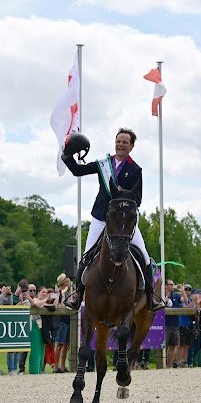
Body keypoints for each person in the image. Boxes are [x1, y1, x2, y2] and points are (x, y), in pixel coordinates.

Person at [61, 128, 163, 312]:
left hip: (123, 222)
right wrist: (67, 156)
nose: (120, 145)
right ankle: (77, 294)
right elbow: (78, 171)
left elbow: (137, 199)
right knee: (86, 256)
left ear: (131, 146)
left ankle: (150, 297)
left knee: (145, 257)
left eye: (125, 142)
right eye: (118, 141)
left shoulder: (135, 169)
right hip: (101, 218)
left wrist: (120, 196)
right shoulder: (103, 164)